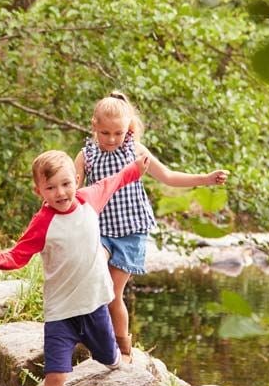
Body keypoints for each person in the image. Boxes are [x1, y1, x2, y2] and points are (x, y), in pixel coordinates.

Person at [0, 149, 149, 386]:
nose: (61, 192)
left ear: (76, 181)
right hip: (61, 314)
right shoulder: (43, 222)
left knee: (109, 361)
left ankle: (117, 355)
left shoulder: (89, 200)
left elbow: (113, 182)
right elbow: (16, 257)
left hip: (95, 307)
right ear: (39, 191)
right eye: (51, 188)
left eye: (66, 183)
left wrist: (135, 169)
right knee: (55, 377)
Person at [75, 91, 229, 363]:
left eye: (118, 133)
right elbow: (72, 190)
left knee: (112, 292)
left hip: (130, 232)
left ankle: (123, 350)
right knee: (95, 282)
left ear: (128, 129)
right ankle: (94, 339)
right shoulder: (86, 155)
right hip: (99, 231)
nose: (111, 139)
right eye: (105, 133)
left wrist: (205, 178)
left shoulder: (135, 151)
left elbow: (168, 176)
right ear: (94, 126)